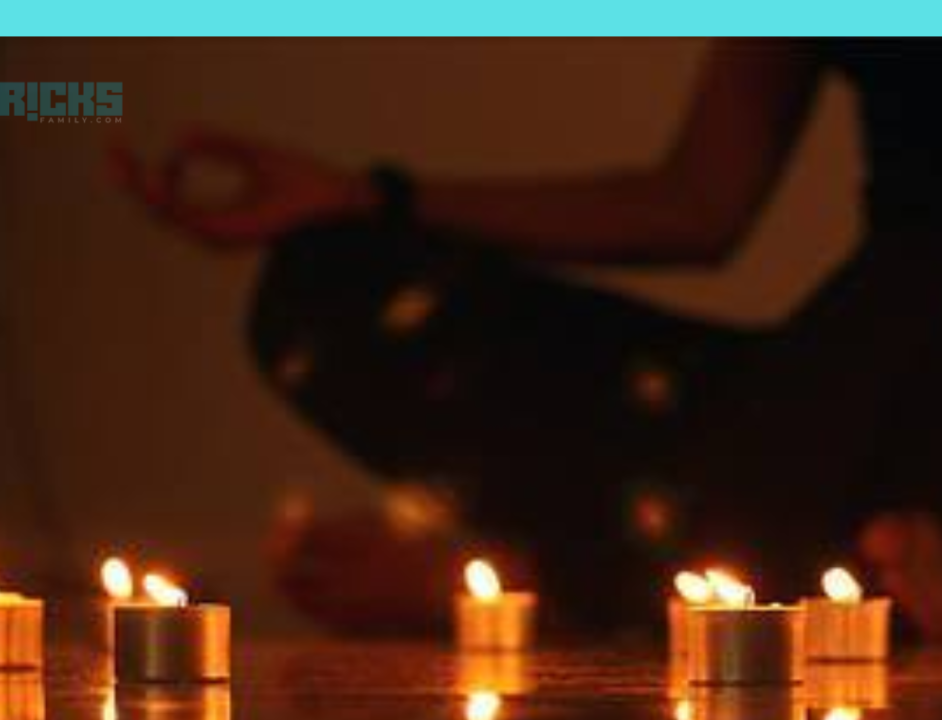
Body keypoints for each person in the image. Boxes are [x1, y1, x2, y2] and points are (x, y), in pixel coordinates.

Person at [115, 39, 942, 639]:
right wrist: (364, 197)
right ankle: (777, 553)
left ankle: (561, 582)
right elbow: (698, 203)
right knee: (330, 284)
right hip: (863, 387)